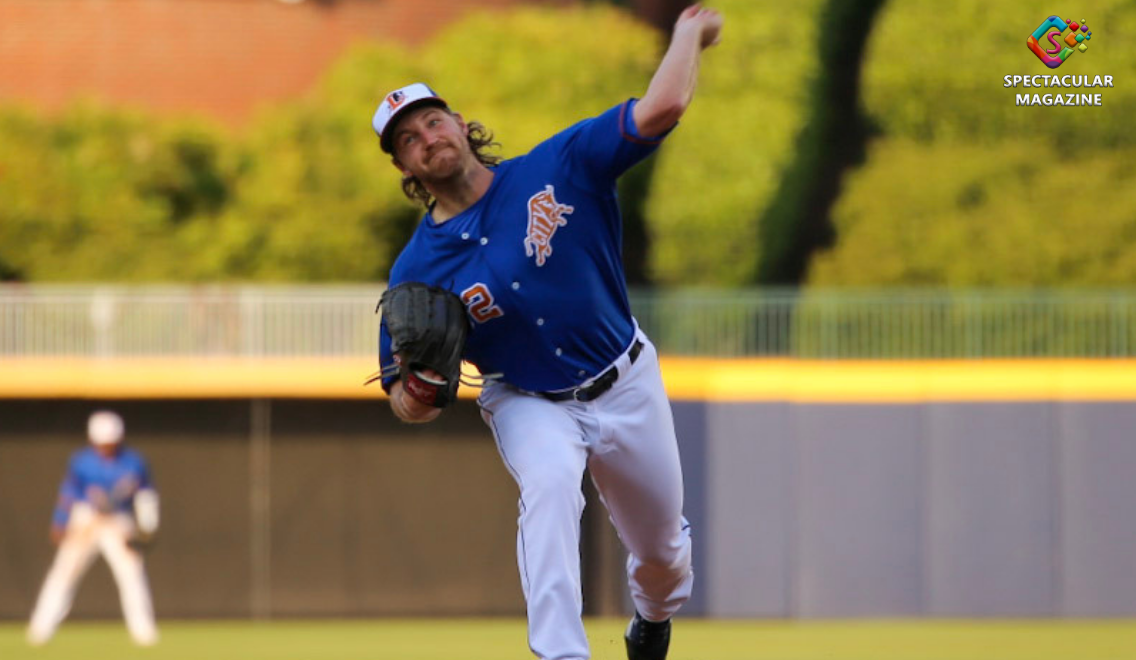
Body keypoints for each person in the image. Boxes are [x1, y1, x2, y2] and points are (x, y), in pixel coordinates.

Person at [372, 5, 723, 659]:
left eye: (431, 120)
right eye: (407, 140)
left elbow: (665, 104)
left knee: (664, 558)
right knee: (550, 485)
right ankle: (561, 652)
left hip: (624, 378)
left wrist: (687, 33)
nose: (424, 136)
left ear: (459, 124)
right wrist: (416, 393)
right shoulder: (414, 271)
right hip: (527, 398)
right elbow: (401, 396)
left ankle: (652, 617)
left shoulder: (559, 165)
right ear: (407, 171)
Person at [27, 410, 160, 647]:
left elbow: (146, 495)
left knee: (131, 573)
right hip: (86, 517)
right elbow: (69, 494)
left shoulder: (133, 462)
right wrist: (60, 521)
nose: (105, 447)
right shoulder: (82, 461)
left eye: (109, 442)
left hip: (118, 520)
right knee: (64, 572)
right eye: (101, 443)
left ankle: (144, 632)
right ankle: (40, 629)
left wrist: (148, 525)